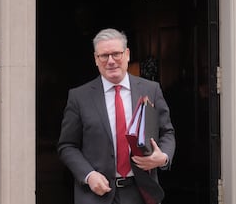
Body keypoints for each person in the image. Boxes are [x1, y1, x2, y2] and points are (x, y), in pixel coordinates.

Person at [57, 28, 176, 204]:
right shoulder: (79, 97)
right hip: (95, 194)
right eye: (104, 56)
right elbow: (67, 146)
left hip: (140, 192)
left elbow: (167, 132)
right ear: (96, 59)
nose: (111, 61)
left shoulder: (151, 90)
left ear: (127, 54)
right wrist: (88, 175)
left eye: (116, 54)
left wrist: (163, 157)